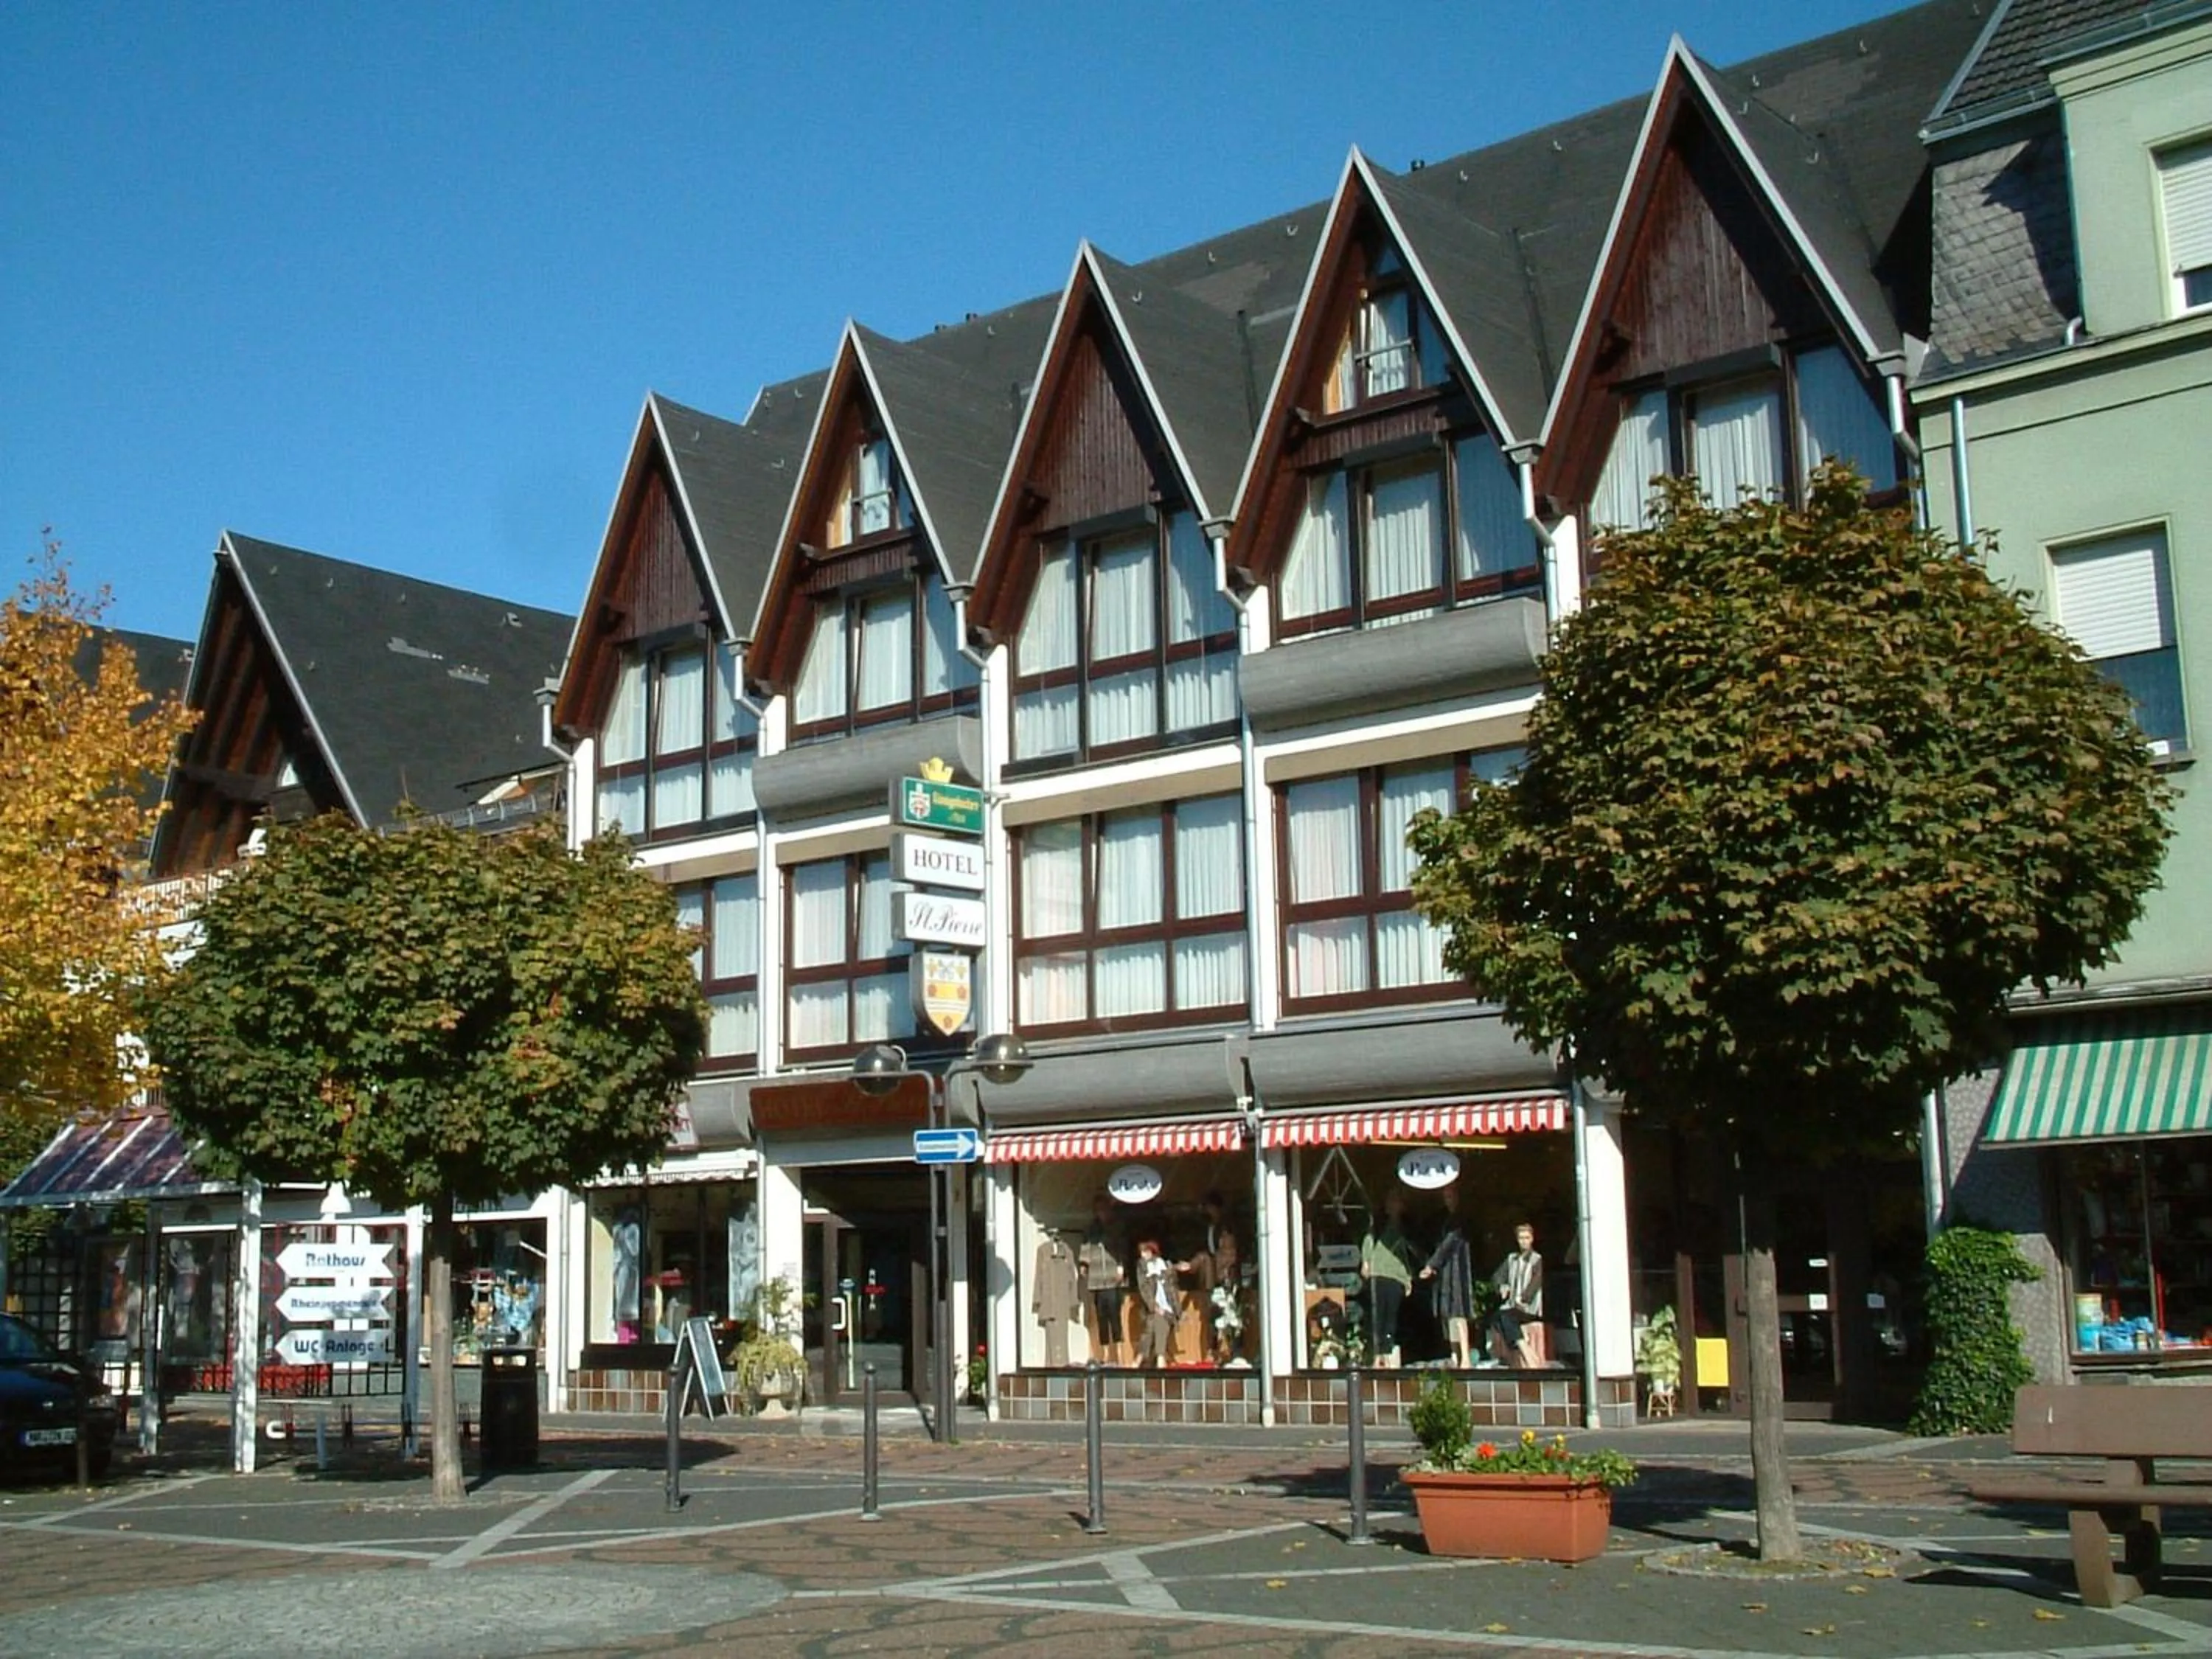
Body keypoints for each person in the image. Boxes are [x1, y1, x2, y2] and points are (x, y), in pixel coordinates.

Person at [1175, 1191, 1241, 1363]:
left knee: (1228, 1316)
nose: (1206, 1211)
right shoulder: (1210, 1227)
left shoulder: (1226, 1229)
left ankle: (1232, 1352)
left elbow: (1228, 1254)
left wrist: (1198, 1264)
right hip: (1213, 1278)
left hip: (1224, 1277)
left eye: (1208, 1207)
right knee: (1213, 1317)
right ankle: (1215, 1352)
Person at [1417, 1183, 1478, 1368]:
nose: (1448, 1200)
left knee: (1458, 1312)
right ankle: (1454, 1353)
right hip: (1446, 1271)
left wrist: (1431, 1265)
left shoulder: (1459, 1220)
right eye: (1445, 1197)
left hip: (1458, 1270)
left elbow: (1448, 1243)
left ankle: (1465, 1356)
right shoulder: (1445, 1219)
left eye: (1450, 1196)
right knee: (1447, 1313)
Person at [1360, 1187, 1416, 1367]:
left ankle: (1387, 1353)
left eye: (1397, 1201)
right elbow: (1368, 1241)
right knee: (1377, 1317)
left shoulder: (1406, 1228)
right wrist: (1366, 1261)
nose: (1393, 1205)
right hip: (1377, 1274)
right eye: (1391, 1200)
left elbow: (1408, 1255)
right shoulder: (1378, 1224)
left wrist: (1408, 1279)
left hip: (1395, 1277)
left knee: (1390, 1317)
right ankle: (1378, 1356)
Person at [1486, 1221, 1545, 1368]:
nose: (1524, 1241)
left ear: (1532, 1239)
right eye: (1521, 1238)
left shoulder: (1537, 1260)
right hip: (1512, 1306)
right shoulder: (1512, 1259)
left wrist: (1523, 1298)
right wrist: (1502, 1286)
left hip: (1529, 1308)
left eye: (1527, 1238)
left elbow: (1536, 1283)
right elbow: (1497, 1277)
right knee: (1496, 1318)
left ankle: (1525, 1352)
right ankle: (1521, 1350)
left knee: (1505, 1316)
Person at [1078, 1194, 1127, 1365]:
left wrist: (1121, 1266)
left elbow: (1122, 1247)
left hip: (1113, 1277)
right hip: (1097, 1279)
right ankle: (1106, 1354)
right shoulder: (1092, 1229)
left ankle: (1119, 1353)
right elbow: (1085, 1247)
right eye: (1098, 1211)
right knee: (1102, 1316)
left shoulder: (1116, 1227)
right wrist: (1084, 1264)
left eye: (1104, 1210)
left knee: (1115, 1315)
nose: (1101, 1214)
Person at [1133, 1239, 1180, 1369]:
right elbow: (1144, 1290)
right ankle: (1160, 1357)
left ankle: (1140, 1357)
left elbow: (1173, 1292)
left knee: (1157, 1320)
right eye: (1141, 1252)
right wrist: (1154, 1306)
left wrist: (1177, 1312)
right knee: (1156, 1320)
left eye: (1145, 1252)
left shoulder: (1165, 1267)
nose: (1143, 1255)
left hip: (1168, 1309)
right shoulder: (1144, 1269)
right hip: (1152, 1310)